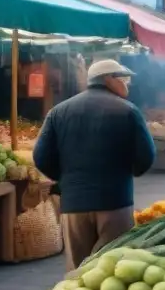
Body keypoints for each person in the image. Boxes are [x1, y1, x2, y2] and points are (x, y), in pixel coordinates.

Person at [34, 60, 156, 270]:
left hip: (73, 205)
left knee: (78, 271)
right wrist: (130, 172)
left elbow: (40, 156)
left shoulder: (58, 111)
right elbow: (146, 157)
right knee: (111, 270)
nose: (127, 85)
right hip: (115, 202)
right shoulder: (127, 111)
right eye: (124, 79)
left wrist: (66, 180)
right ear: (108, 79)